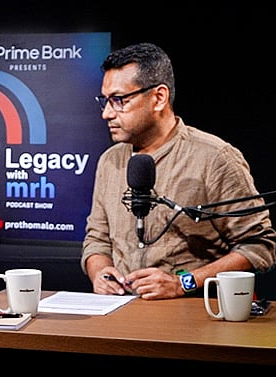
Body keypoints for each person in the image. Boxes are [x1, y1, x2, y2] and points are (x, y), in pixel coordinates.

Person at [82, 42, 276, 299]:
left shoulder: (215, 158)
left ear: (159, 98)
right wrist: (100, 272)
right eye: (105, 101)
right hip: (121, 311)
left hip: (196, 311)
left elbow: (259, 247)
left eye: (119, 100)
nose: (107, 114)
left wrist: (182, 283)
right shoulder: (109, 161)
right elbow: (97, 240)